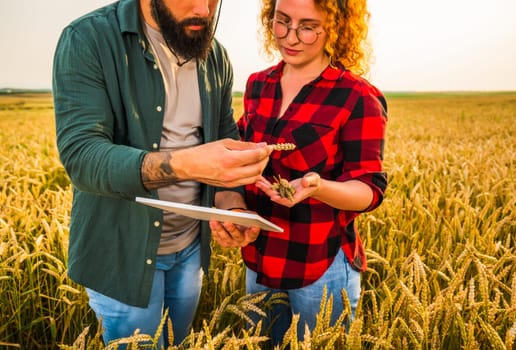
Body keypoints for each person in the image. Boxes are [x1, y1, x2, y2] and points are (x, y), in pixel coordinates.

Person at [52, 0, 272, 347]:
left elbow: (223, 142)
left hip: (190, 250)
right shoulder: (87, 39)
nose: (204, 8)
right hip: (123, 256)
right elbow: (83, 157)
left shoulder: (215, 56)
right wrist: (186, 164)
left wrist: (232, 207)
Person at [210, 0, 387, 345]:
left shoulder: (356, 96)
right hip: (260, 258)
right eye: (281, 22)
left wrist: (316, 187)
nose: (290, 37)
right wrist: (233, 208)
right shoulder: (258, 85)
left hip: (320, 263)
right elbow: (240, 161)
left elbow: (369, 190)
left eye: (307, 26)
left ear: (336, 27)